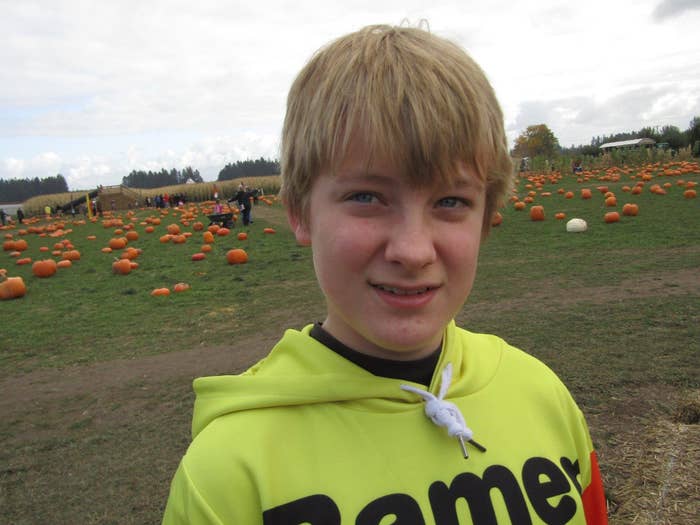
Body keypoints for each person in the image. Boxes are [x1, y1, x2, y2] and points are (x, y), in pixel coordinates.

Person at [163, 24, 608, 524]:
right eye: (367, 198)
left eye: (450, 201)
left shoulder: (542, 396)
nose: (413, 251)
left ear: (485, 219)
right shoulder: (228, 474)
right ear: (300, 213)